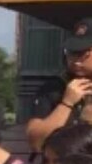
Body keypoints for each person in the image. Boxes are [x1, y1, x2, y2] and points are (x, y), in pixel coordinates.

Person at [27, 17, 92, 152]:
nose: (75, 60)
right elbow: (36, 142)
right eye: (71, 52)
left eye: (83, 53)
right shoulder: (54, 88)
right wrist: (66, 104)